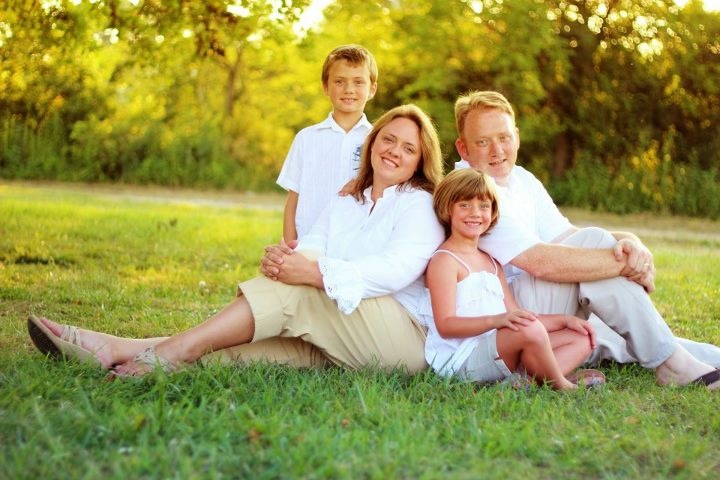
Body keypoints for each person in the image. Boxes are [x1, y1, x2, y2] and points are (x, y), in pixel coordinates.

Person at [27, 104, 445, 376]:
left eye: (407, 148)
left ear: (419, 160)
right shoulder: (347, 198)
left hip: (400, 344)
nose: (394, 150)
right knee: (247, 351)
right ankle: (117, 348)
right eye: (388, 139)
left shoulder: (418, 204)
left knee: (297, 292)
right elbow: (313, 242)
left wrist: (311, 273)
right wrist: (288, 260)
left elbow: (395, 270)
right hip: (343, 337)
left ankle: (171, 353)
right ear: (372, 143)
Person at [452, 90, 720, 389]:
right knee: (596, 245)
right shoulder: (470, 192)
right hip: (504, 317)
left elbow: (567, 237)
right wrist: (622, 263)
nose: (496, 150)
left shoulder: (521, 179)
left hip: (540, 305)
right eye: (482, 141)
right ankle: (674, 367)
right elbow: (542, 263)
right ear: (463, 148)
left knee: (631, 334)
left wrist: (632, 243)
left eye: (503, 137)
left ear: (516, 136)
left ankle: (685, 362)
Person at [420, 168, 603, 390]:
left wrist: (565, 320)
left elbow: (519, 316)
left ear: (493, 211)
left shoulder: (492, 262)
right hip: (465, 358)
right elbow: (446, 326)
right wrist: (496, 321)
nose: (475, 213)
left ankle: (524, 382)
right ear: (447, 209)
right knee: (529, 330)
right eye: (464, 205)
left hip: (503, 347)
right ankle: (562, 385)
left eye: (483, 206)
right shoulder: (445, 261)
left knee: (581, 337)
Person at [278, 44, 377, 243]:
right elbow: (293, 200)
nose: (349, 89)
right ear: (326, 87)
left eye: (358, 82)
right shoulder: (306, 138)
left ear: (372, 89)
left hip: (356, 244)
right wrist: (289, 246)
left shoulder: (378, 139)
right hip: (307, 243)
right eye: (339, 81)